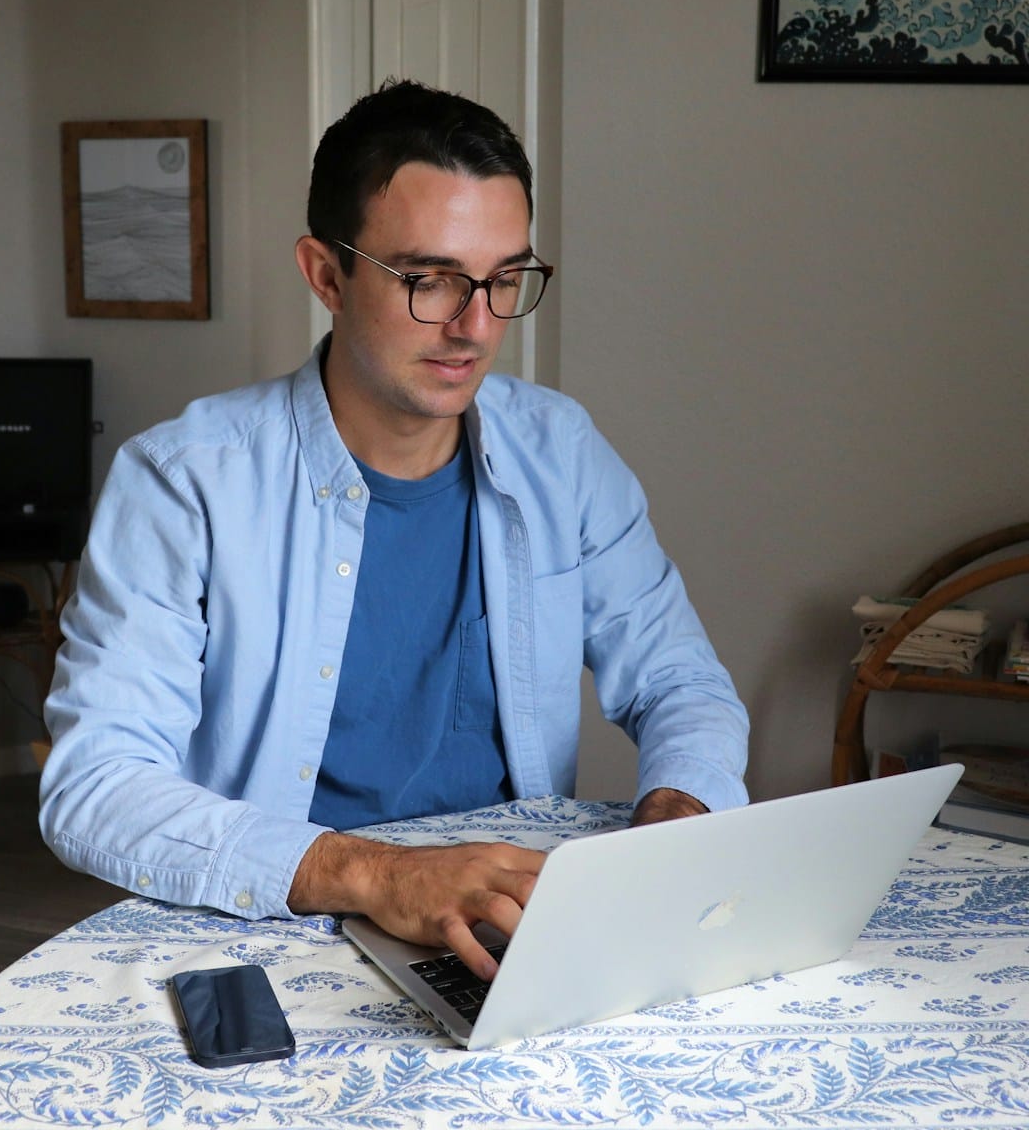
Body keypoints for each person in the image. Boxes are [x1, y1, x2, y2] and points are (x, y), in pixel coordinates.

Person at [40, 80, 749, 980]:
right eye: (430, 279)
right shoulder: (183, 481)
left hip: (508, 933)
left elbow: (682, 680)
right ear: (325, 275)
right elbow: (94, 788)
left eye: (504, 280)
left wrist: (680, 815)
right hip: (273, 932)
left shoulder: (560, 451)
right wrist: (375, 874)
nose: (475, 327)